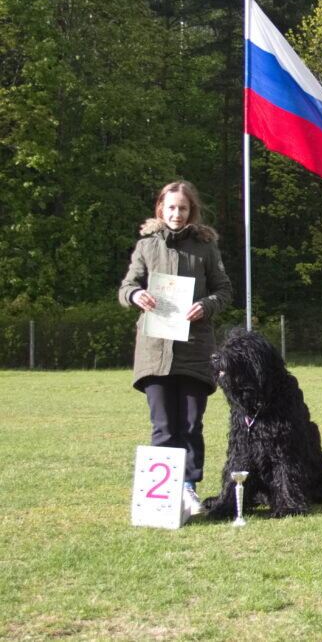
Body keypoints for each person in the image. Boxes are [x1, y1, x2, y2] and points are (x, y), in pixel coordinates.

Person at [118, 181, 233, 516]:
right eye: (171, 207)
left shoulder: (206, 248)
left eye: (183, 208)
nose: (176, 214)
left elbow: (224, 290)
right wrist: (136, 295)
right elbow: (126, 287)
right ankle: (161, 500)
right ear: (161, 209)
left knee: (191, 425)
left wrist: (206, 305)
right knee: (164, 426)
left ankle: (188, 489)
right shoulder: (146, 246)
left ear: (191, 211)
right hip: (154, 352)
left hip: (195, 350)